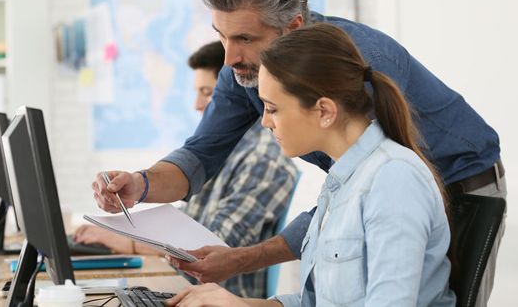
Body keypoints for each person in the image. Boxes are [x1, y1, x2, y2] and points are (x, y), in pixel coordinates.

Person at [93, 0, 505, 305]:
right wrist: (140, 184)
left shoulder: (359, 75)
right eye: (221, 37)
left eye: (245, 39)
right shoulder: (248, 73)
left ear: (292, 27)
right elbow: (201, 155)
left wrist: (243, 263)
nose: (229, 58)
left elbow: (372, 196)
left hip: (461, 181)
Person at [166, 22, 456, 306]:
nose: (266, 122)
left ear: (324, 111)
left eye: (273, 109)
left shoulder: (394, 179)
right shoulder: (342, 181)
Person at [76, 41, 298, 298]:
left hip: (218, 296)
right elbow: (189, 221)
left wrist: (125, 242)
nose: (197, 104)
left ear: (235, 96)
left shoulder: (262, 162)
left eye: (207, 92)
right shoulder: (219, 155)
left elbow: (211, 246)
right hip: (185, 290)